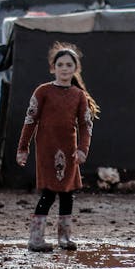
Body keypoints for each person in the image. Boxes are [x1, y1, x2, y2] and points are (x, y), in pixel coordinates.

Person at [16, 43, 99, 252]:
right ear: (53, 68)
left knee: (67, 193)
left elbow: (86, 125)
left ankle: (64, 239)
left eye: (68, 65)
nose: (64, 68)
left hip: (69, 151)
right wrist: (22, 148)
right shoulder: (43, 91)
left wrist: (82, 149)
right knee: (49, 193)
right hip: (46, 149)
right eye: (60, 64)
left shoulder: (78, 96)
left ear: (75, 69)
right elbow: (30, 120)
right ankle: (35, 240)